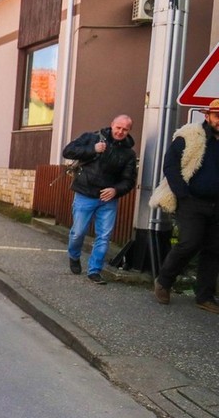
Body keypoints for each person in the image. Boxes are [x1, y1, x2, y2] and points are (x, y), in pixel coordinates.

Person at [148, 99, 219, 311]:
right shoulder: (189, 136)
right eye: (217, 116)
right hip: (192, 201)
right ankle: (164, 281)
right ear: (207, 116)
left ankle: (204, 296)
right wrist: (183, 195)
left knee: (215, 250)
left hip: (218, 204)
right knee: (189, 243)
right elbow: (170, 166)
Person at [62, 115, 137, 284]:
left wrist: (115, 190)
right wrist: (93, 149)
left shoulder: (128, 154)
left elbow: (129, 180)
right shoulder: (91, 138)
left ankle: (94, 270)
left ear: (129, 131)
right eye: (118, 127)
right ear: (112, 125)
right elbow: (67, 151)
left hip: (108, 199)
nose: (120, 131)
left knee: (103, 236)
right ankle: (74, 256)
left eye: (125, 129)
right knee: (78, 232)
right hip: (85, 194)